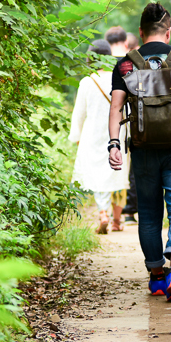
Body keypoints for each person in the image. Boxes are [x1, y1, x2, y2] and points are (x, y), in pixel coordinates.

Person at [107, 3, 171, 301]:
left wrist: (114, 143)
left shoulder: (126, 64)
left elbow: (116, 107)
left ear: (140, 33)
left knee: (150, 214)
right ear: (168, 31)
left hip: (142, 149)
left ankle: (156, 276)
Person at [70, 39, 129, 234]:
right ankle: (117, 220)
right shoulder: (119, 78)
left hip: (93, 134)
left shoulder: (87, 82)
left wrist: (76, 136)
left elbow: (79, 113)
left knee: (98, 175)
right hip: (117, 133)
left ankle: (103, 212)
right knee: (117, 172)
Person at [105, 26, 139, 225]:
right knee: (131, 168)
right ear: (126, 42)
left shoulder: (101, 63)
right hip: (130, 122)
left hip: (110, 122)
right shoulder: (129, 63)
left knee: (111, 166)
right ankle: (127, 211)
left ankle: (109, 212)